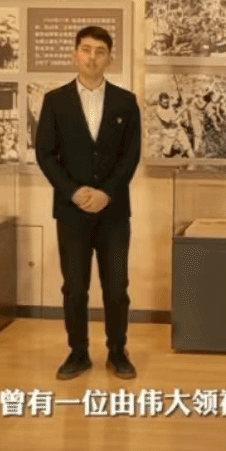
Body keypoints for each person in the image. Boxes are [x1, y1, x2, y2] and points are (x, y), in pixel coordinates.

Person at [35, 25, 141, 381]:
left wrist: (106, 192)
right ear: (75, 54)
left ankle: (118, 351)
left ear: (110, 58)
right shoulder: (56, 100)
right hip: (72, 211)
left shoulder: (125, 102)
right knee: (75, 288)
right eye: (86, 49)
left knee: (117, 287)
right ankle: (78, 352)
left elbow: (130, 156)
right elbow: (45, 154)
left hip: (114, 212)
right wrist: (72, 191)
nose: (92, 57)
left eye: (100, 51)